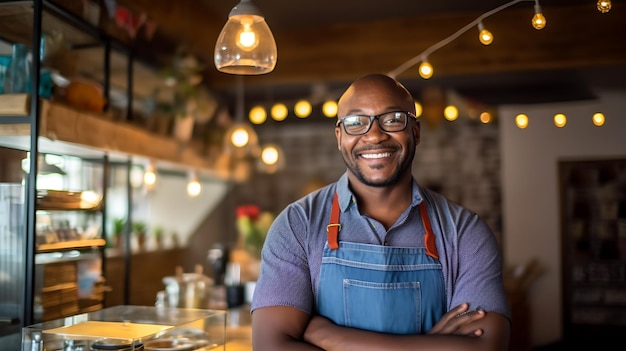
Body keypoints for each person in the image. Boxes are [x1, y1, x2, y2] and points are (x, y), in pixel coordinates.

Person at [250, 73, 511, 351]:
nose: (374, 135)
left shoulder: (464, 232)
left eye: (392, 119)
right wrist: (431, 345)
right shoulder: (297, 224)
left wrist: (333, 338)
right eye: (355, 122)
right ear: (339, 137)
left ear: (416, 131)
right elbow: (270, 346)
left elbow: (487, 347)